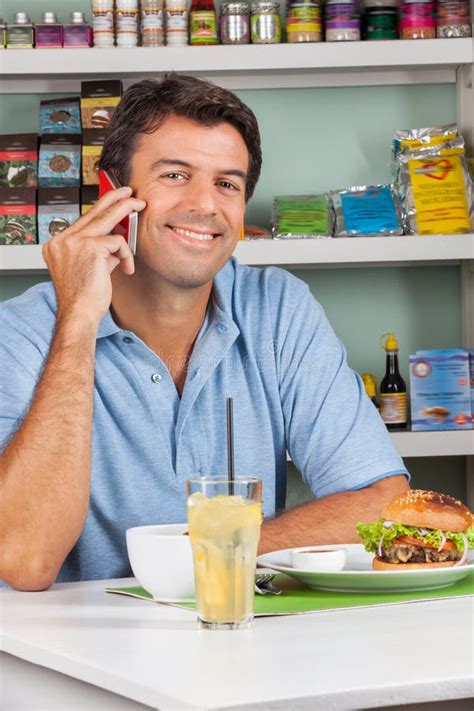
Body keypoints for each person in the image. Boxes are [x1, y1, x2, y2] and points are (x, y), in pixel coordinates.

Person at [0, 75, 409, 591]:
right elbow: (25, 559)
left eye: (227, 184)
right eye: (174, 174)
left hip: (234, 635)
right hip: (62, 665)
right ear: (111, 193)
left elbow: (383, 501)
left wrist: (210, 558)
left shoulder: (278, 309)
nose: (206, 205)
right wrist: (77, 323)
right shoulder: (21, 333)